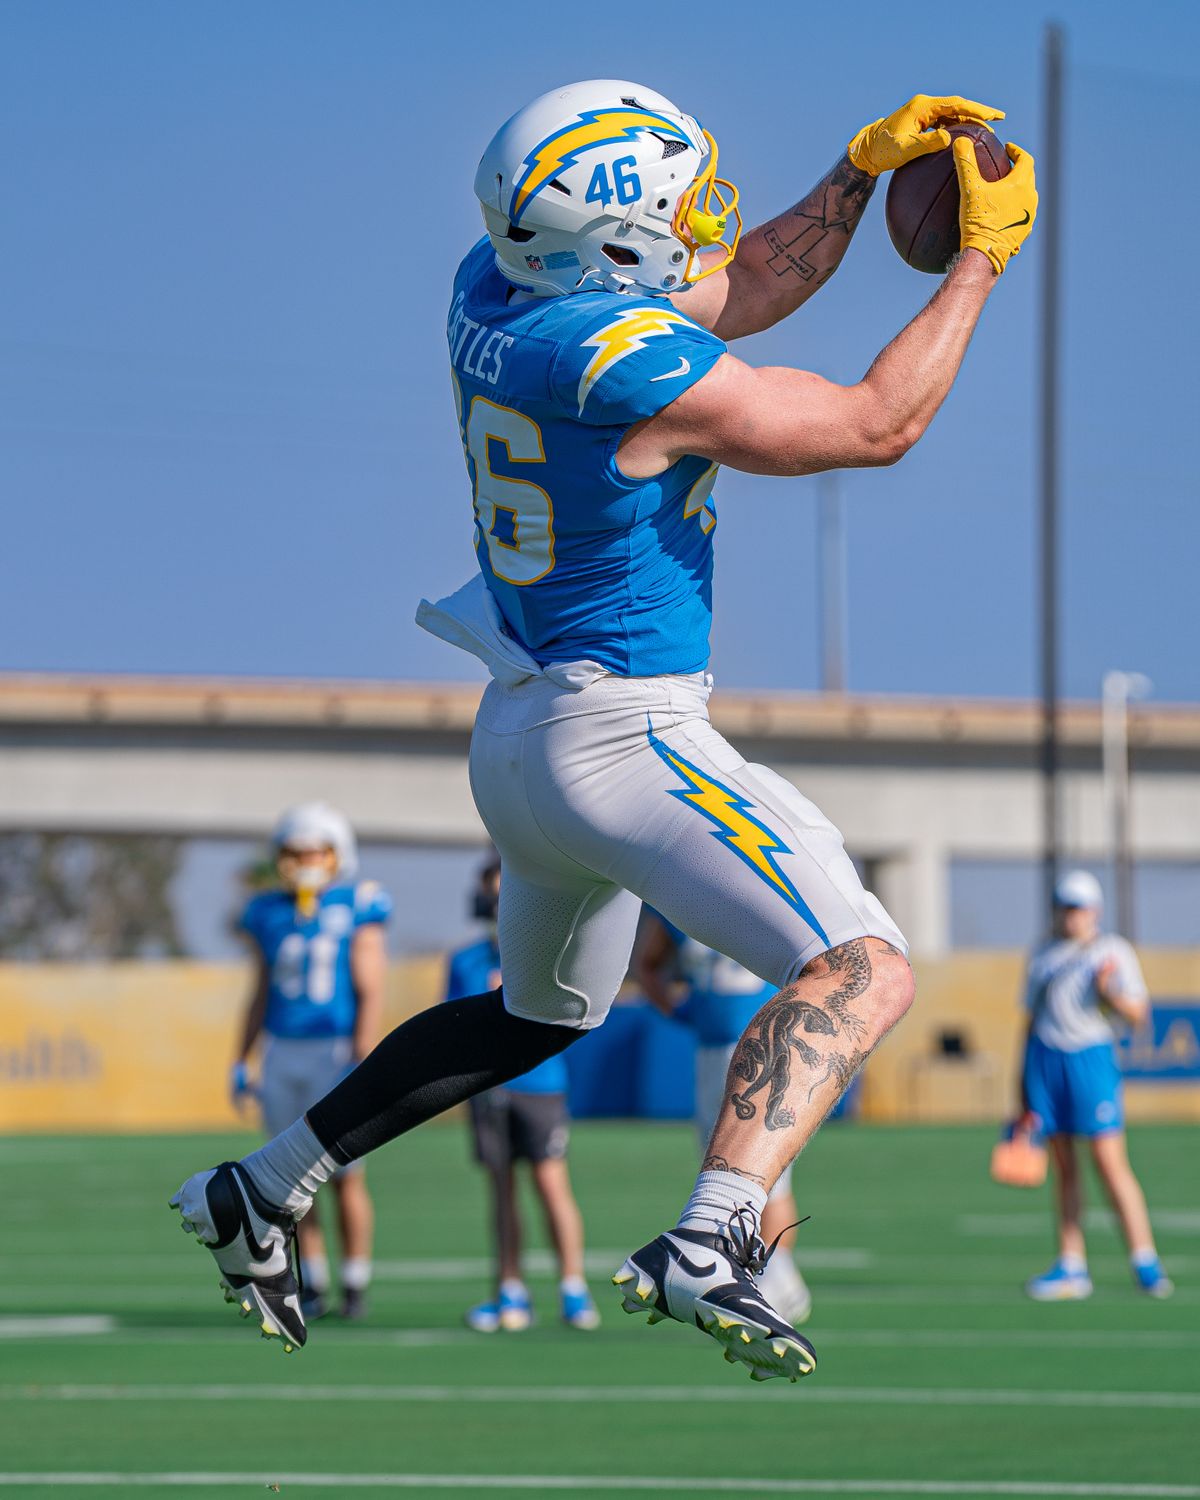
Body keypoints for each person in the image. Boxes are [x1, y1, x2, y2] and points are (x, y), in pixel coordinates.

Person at [173, 81, 1037, 1381]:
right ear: (612, 240)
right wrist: (979, 259)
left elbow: (722, 291)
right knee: (864, 966)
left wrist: (859, 174)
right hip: (624, 737)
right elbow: (877, 423)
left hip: (518, 736)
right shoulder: (624, 369)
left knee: (538, 1015)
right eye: (677, 205)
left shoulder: (496, 288)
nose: (701, 220)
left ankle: (268, 1181)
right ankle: (714, 1231)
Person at [231, 803, 391, 1320]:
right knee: (293, 1180)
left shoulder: (358, 903)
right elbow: (259, 989)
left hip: (335, 1050)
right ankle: (315, 1279)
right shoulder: (266, 911)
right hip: (283, 1052)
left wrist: (363, 1055)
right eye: (293, 852)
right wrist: (241, 1058)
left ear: (336, 854)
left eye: (314, 851)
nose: (302, 860)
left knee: (346, 1173)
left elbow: (370, 987)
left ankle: (356, 1281)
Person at [636, 912, 812, 1324]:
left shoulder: (761, 895)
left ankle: (775, 1280)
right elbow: (647, 965)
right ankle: (774, 1281)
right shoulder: (674, 902)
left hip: (768, 1042)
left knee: (766, 1167)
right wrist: (681, 1011)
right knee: (720, 1162)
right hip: (711, 1048)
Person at [449, 856, 600, 1332]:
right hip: (489, 1088)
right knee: (501, 1188)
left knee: (551, 1183)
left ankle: (573, 1288)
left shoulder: (545, 949)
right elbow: (450, 1025)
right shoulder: (465, 961)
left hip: (540, 1084)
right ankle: (510, 1289)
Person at [1021, 870, 1172, 1302]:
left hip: (1091, 1058)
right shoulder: (1042, 953)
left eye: (1080, 907)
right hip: (1047, 1059)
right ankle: (1072, 1264)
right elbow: (1030, 1020)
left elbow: (1139, 1015)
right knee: (1065, 1167)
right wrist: (1023, 1085)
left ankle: (1144, 1259)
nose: (1072, 915)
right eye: (1066, 906)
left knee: (1109, 1161)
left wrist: (1108, 991)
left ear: (1095, 911)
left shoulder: (1112, 951)